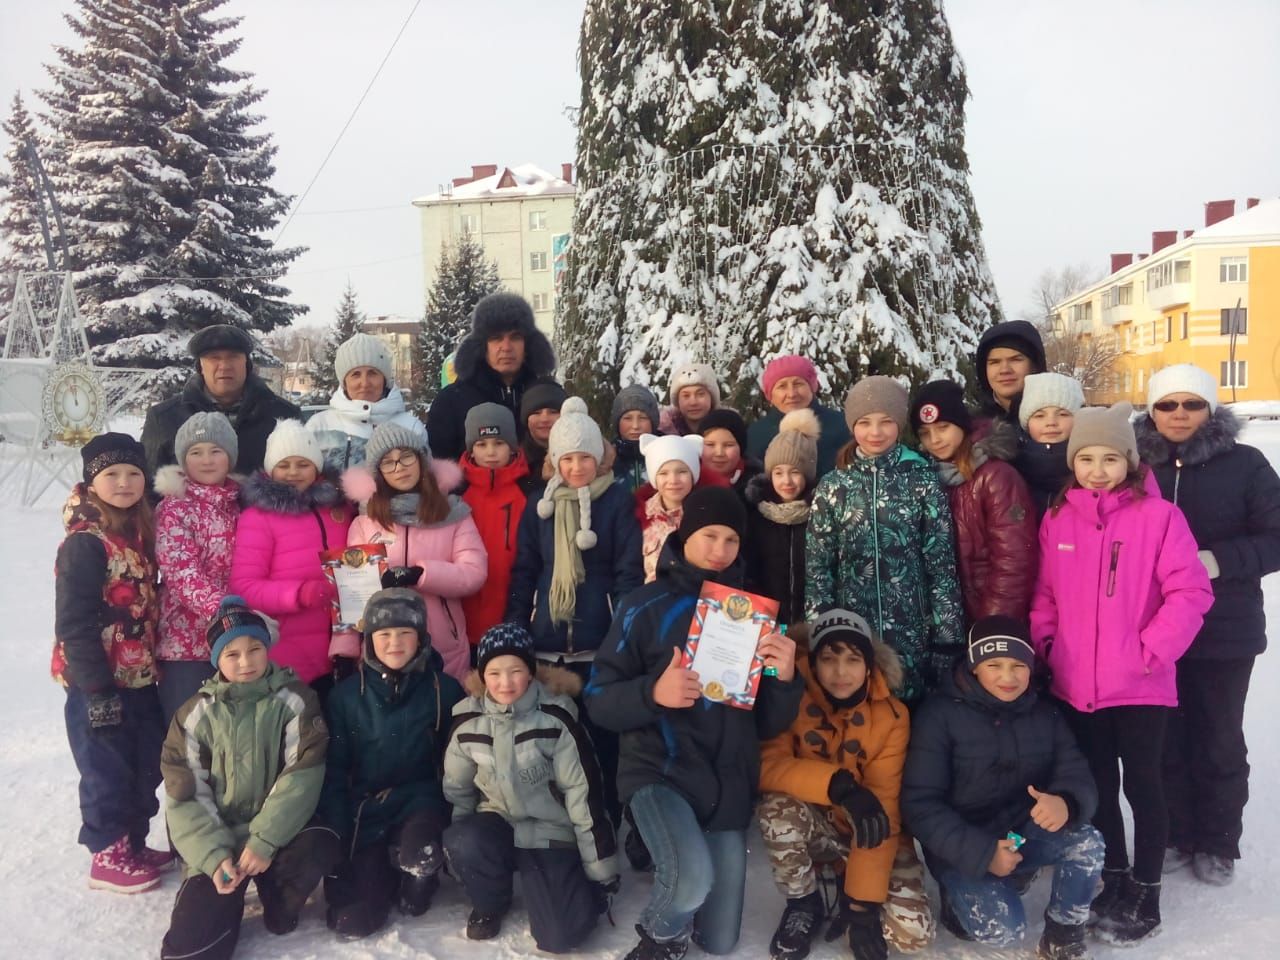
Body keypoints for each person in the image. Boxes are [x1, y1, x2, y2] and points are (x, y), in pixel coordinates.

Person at [586, 487, 805, 959]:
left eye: (731, 540)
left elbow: (766, 722)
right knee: (689, 886)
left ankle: (684, 880)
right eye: (709, 535)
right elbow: (598, 699)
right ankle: (660, 935)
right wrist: (653, 694)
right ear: (684, 534)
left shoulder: (753, 615)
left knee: (720, 940)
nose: (720, 550)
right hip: (660, 772)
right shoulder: (641, 606)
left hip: (725, 783)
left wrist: (785, 679)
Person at [1031, 402, 1213, 944]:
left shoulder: (1159, 518)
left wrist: (1150, 652)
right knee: (1099, 787)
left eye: (1110, 458)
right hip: (1074, 684)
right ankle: (1112, 876)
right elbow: (1045, 593)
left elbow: (1190, 591)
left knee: (1143, 785)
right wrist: (1046, 643)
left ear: (1130, 461)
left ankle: (1147, 889)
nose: (1097, 469)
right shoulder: (1059, 516)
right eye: (1085, 458)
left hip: (1139, 685)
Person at [1135, 364, 1280, 886]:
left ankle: (1218, 838)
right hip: (1152, 629)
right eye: (1168, 404)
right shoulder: (1134, 465)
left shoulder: (1245, 464)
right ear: (1152, 410)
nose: (1179, 414)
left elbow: (1276, 536)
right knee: (1164, 738)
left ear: (1210, 409)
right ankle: (1176, 830)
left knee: (1218, 736)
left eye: (1191, 404)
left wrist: (1217, 561)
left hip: (1225, 628)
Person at [902, 617, 1104, 959]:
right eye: (994, 665)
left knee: (1087, 843)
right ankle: (957, 903)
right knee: (1005, 932)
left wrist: (1067, 802)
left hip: (1021, 831)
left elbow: (1075, 771)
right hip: (963, 846)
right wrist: (983, 854)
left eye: (1018, 666)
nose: (1008, 677)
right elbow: (920, 804)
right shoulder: (938, 716)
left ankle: (1063, 933)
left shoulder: (1045, 713)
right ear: (974, 667)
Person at [160, 597, 338, 959]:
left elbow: (300, 776)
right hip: (219, 840)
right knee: (190, 951)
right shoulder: (194, 714)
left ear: (267, 649)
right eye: (232, 654)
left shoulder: (296, 701)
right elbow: (184, 792)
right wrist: (212, 856)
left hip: (276, 835)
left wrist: (264, 839)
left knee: (319, 840)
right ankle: (224, 898)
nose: (246, 662)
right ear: (216, 660)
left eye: (254, 649)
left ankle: (278, 898)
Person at [507, 396, 644, 823]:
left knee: (600, 735)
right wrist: (517, 625)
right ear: (555, 460)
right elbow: (526, 568)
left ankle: (607, 814)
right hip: (548, 638)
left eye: (585, 457)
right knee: (554, 734)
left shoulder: (616, 501)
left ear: (599, 458)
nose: (577, 467)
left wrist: (622, 631)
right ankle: (561, 818)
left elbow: (627, 571)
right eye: (568, 459)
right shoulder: (540, 506)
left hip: (597, 640)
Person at [444, 623, 619, 952]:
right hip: (496, 823)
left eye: (515, 671)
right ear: (482, 675)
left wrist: (601, 871)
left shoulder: (556, 718)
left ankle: (571, 892)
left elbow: (584, 794)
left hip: (549, 831)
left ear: (530, 672)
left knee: (560, 938)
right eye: (494, 673)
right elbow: (458, 790)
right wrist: (460, 858)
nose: (505, 682)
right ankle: (491, 901)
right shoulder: (467, 722)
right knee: (465, 838)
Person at [757, 609, 912, 960]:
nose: (841, 673)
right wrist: (838, 785)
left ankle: (847, 884)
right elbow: (768, 766)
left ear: (869, 665)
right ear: (812, 661)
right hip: (813, 821)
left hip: (866, 828)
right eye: (828, 659)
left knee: (911, 934)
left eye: (853, 659)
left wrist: (862, 908)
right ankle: (804, 902)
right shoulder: (790, 694)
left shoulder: (893, 716)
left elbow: (884, 804)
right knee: (776, 810)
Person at [53, 432, 167, 893]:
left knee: (146, 761)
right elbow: (74, 622)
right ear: (91, 482)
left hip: (139, 675)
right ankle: (108, 852)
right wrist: (96, 690)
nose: (124, 483)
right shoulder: (85, 544)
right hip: (97, 682)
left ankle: (134, 842)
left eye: (133, 473)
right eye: (111, 474)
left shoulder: (135, 534)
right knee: (105, 766)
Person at [806, 376, 964, 706]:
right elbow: (819, 567)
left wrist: (946, 638)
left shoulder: (921, 478)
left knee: (909, 719)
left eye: (886, 422)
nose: (875, 433)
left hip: (912, 630)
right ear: (852, 425)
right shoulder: (834, 485)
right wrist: (818, 633)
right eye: (864, 422)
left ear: (899, 424)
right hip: (851, 632)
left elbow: (940, 562)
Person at [320, 589, 465, 938]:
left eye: (405, 633)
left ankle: (419, 877)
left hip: (422, 802)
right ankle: (382, 869)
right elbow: (335, 770)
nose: (394, 642)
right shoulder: (345, 697)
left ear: (421, 638)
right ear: (369, 641)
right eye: (384, 634)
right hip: (367, 810)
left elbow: (458, 762)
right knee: (356, 918)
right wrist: (338, 834)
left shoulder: (443, 690)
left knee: (420, 853)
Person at [344, 421, 487, 684]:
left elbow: (474, 572)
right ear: (378, 473)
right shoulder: (364, 522)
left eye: (406, 457)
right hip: (386, 647)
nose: (399, 468)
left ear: (422, 460)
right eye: (388, 462)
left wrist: (422, 573)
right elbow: (351, 591)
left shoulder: (453, 514)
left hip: (443, 642)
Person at [229, 419, 353, 690]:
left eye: (303, 464)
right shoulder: (258, 517)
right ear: (271, 470)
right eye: (283, 465)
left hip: (344, 645)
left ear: (317, 467)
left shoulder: (339, 509)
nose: (293, 472)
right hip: (291, 647)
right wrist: (298, 594)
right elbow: (245, 587)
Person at [911, 380, 1037, 626]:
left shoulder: (996, 477)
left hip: (987, 618)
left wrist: (991, 626)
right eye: (925, 433)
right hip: (948, 622)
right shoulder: (927, 476)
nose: (935, 439)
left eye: (943, 427)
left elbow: (1013, 563)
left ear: (962, 424)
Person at [154, 412, 242, 722]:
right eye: (196, 452)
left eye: (215, 451)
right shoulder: (174, 506)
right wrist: (229, 609)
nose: (206, 460)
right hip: (186, 647)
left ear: (230, 457)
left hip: (235, 642)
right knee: (189, 736)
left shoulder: (239, 505)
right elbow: (181, 572)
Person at [142, 323, 301, 475]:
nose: (224, 366)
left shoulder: (284, 415)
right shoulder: (163, 418)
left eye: (233, 357)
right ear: (200, 367)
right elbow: (147, 486)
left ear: (247, 363)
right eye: (214, 358)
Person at [427, 293, 557, 460]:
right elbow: (440, 467)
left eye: (515, 337)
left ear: (528, 344)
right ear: (482, 346)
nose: (506, 347)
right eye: (496, 338)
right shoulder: (451, 401)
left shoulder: (548, 396)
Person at [458, 402, 531, 639]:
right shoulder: (458, 493)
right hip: (466, 614)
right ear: (471, 450)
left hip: (513, 609)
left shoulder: (527, 492)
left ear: (512, 447)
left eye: (499, 443)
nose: (490, 452)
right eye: (481, 444)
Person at [744, 408, 821, 626]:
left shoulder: (820, 513)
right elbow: (749, 570)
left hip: (811, 621)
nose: (786, 480)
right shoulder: (757, 514)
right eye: (778, 473)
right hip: (765, 620)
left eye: (795, 472)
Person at [307, 332, 426, 473]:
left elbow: (425, 481)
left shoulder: (410, 427)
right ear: (344, 382)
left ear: (384, 379)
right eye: (355, 374)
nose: (364, 383)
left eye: (372, 373)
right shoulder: (319, 426)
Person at [636, 432, 726, 583]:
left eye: (682, 471)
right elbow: (631, 567)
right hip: (654, 600)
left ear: (693, 475)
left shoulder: (709, 511)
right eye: (663, 473)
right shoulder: (641, 516)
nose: (673, 480)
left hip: (698, 599)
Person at [746, 354, 850, 479]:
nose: (791, 394)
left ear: (812, 387)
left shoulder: (841, 425)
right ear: (770, 395)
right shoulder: (755, 435)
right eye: (782, 386)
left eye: (798, 384)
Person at [1012, 373, 1085, 520]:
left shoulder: (1094, 468)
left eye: (1063, 414)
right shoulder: (1011, 468)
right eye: (1039, 416)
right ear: (1026, 423)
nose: (1051, 422)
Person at [972, 320, 1046, 432]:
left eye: (1015, 359)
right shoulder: (973, 430)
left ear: (1035, 365)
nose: (1004, 370)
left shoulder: (1060, 421)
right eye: (995, 362)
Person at [518, 376, 568, 492]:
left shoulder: (582, 455)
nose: (544, 419)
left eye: (553, 412)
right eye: (536, 412)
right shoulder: (514, 462)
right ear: (526, 419)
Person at [699, 408, 761, 499]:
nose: (719, 453)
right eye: (710, 444)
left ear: (741, 447)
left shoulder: (759, 486)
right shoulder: (686, 483)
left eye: (728, 445)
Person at [613, 384, 662, 492]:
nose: (635, 426)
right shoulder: (607, 458)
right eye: (627, 418)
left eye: (643, 418)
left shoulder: (668, 452)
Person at [660, 362, 721, 435]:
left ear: (712, 397)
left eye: (700, 394)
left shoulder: (730, 432)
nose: (693, 402)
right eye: (686, 396)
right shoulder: (661, 436)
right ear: (677, 401)